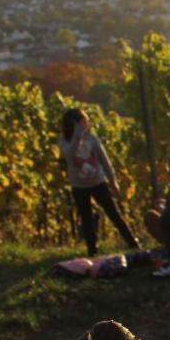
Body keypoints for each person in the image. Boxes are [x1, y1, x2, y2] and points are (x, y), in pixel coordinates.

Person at [58, 107, 139, 257]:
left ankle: (132, 242)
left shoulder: (92, 139)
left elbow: (105, 161)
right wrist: (77, 136)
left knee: (113, 213)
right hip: (79, 186)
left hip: (98, 182)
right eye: (81, 123)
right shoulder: (64, 140)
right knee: (86, 217)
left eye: (85, 122)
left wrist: (113, 181)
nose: (85, 125)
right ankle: (92, 250)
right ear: (72, 124)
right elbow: (69, 155)